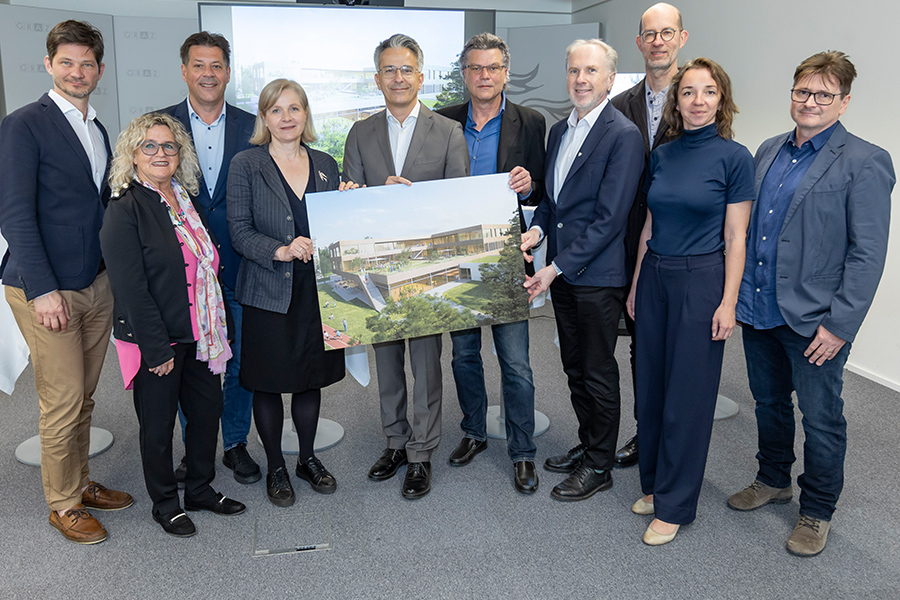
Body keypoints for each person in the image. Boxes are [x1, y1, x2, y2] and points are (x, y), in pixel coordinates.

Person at [729, 51, 894, 557]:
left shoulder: (866, 161)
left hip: (816, 320)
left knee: (822, 419)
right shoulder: (768, 149)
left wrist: (840, 325)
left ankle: (817, 509)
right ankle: (773, 478)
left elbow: (867, 254)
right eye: (803, 91)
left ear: (844, 102)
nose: (810, 101)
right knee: (769, 403)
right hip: (759, 306)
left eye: (824, 94)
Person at [0, 20, 133, 545]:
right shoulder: (23, 125)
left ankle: (79, 483)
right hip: (47, 289)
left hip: (94, 283)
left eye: (87, 64)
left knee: (84, 395)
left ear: (99, 70)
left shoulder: (97, 128)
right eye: (67, 63)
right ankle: (63, 505)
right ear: (49, 64)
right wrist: (43, 290)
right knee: (62, 399)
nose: (77, 72)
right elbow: (14, 214)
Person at [626, 58, 754, 545]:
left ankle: (676, 504)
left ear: (722, 100)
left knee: (688, 397)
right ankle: (655, 486)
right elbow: (650, 225)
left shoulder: (735, 158)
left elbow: (736, 237)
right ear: (676, 102)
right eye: (688, 92)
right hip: (655, 277)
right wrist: (636, 284)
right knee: (651, 389)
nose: (698, 101)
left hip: (701, 281)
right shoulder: (662, 155)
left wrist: (728, 302)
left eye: (709, 92)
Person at [100, 113, 247, 538]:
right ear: (133, 154)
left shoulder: (186, 200)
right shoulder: (124, 208)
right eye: (150, 146)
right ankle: (165, 503)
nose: (160, 153)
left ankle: (199, 489)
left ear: (180, 154)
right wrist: (156, 347)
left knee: (205, 414)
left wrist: (218, 325)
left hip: (201, 333)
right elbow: (130, 288)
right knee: (158, 426)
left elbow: (207, 266)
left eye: (169, 146)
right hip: (158, 338)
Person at [343, 33, 469, 499]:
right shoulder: (360, 133)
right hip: (375, 269)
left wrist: (411, 204)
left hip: (426, 269)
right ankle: (395, 441)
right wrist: (373, 198)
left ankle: (421, 451)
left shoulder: (448, 132)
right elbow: (350, 204)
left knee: (426, 363)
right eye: (389, 70)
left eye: (406, 69)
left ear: (420, 76)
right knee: (388, 361)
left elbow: (458, 205)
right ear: (377, 79)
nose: (398, 78)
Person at [520, 39, 643, 502]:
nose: (581, 79)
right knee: (574, 367)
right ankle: (590, 444)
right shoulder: (559, 131)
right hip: (565, 275)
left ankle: (600, 464)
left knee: (597, 370)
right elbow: (553, 201)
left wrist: (553, 269)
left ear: (610, 79)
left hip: (596, 277)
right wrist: (537, 230)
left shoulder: (623, 135)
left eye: (591, 71)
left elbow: (609, 220)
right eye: (574, 70)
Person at [228, 79, 356, 507]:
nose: (287, 117)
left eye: (295, 108)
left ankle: (306, 458)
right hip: (268, 289)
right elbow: (239, 232)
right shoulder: (246, 164)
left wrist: (347, 205)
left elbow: (337, 228)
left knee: (309, 378)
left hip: (318, 293)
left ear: (306, 115)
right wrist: (280, 250)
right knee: (267, 383)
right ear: (264, 118)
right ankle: (275, 467)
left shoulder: (326, 164)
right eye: (277, 110)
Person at [436, 33, 546, 493]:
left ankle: (523, 451)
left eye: (493, 67)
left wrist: (529, 185)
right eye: (476, 67)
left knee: (515, 362)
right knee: (463, 355)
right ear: (464, 74)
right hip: (457, 256)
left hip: (506, 259)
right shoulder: (443, 121)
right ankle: (474, 432)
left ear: (506, 72)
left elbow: (545, 191)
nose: (485, 75)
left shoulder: (531, 122)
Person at [160, 32, 259, 485]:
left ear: (228, 72)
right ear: (184, 70)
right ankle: (196, 449)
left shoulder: (254, 126)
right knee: (194, 367)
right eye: (198, 65)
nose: (207, 74)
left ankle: (235, 444)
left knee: (240, 363)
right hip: (185, 273)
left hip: (241, 264)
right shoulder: (159, 128)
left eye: (216, 65)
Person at [610, 2, 688, 469]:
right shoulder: (620, 105)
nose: (658, 42)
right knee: (641, 347)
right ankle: (647, 432)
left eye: (667, 33)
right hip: (629, 245)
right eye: (650, 34)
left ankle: (675, 438)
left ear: (681, 38)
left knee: (677, 351)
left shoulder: (697, 100)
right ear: (639, 43)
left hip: (681, 250)